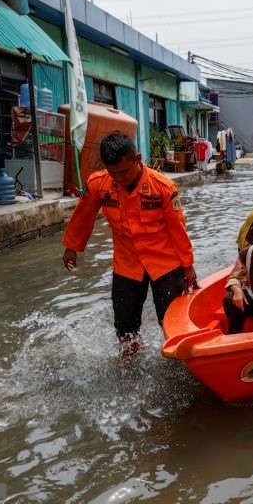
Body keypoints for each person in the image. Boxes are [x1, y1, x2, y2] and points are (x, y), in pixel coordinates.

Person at [62, 132, 197, 355]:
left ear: (137, 158)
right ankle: (129, 358)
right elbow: (83, 215)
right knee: (125, 325)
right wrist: (71, 248)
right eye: (113, 173)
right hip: (127, 264)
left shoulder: (162, 187)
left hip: (165, 263)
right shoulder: (99, 184)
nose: (119, 178)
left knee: (172, 321)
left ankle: (177, 361)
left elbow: (178, 230)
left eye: (124, 171)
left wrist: (188, 266)